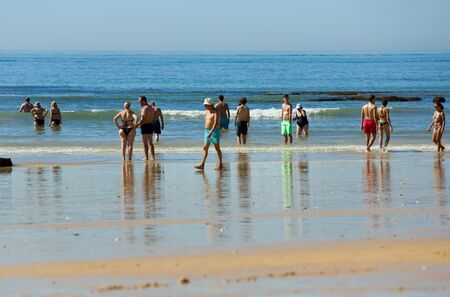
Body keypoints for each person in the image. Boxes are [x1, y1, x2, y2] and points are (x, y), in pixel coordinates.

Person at [195, 98, 223, 170]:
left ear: (210, 105)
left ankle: (220, 164)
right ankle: (202, 164)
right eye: (205, 105)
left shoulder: (216, 111)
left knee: (217, 148)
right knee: (205, 148)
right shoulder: (207, 110)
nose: (205, 106)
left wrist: (211, 132)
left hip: (214, 131)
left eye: (206, 105)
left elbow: (216, 123)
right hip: (207, 131)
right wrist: (206, 130)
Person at [136, 96, 156, 160]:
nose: (139, 103)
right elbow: (153, 117)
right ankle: (153, 157)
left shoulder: (144, 108)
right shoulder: (151, 108)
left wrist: (137, 124)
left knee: (145, 143)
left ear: (143, 101)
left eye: (140, 102)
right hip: (150, 125)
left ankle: (146, 157)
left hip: (144, 126)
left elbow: (143, 119)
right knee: (151, 142)